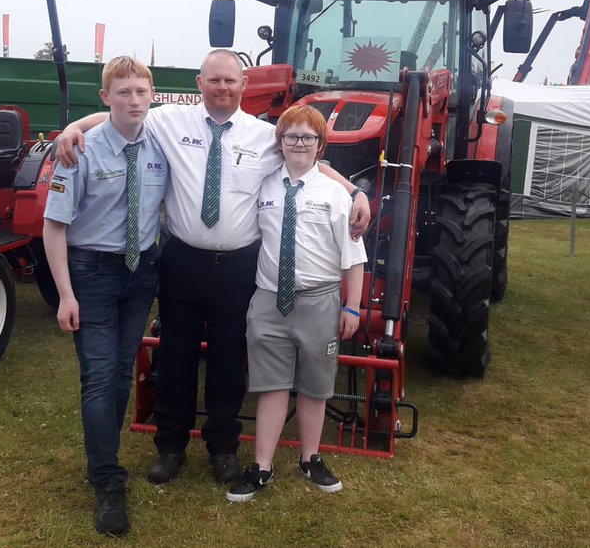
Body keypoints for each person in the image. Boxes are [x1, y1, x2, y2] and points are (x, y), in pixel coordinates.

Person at [55, 49, 370, 487]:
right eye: (214, 80)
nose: (223, 88)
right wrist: (73, 128)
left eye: (231, 81)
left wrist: (356, 192)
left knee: (228, 357)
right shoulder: (169, 121)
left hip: (238, 266)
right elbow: (114, 115)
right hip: (181, 259)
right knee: (177, 354)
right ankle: (170, 446)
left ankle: (223, 447)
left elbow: (312, 163)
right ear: (199, 84)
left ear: (244, 85)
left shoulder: (264, 135)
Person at [42, 56, 168, 537]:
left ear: (152, 95)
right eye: (123, 93)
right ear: (106, 97)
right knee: (98, 376)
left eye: (141, 92)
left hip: (141, 273)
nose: (133, 100)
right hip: (91, 272)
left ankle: (103, 455)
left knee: (120, 372)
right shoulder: (80, 151)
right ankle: (108, 480)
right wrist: (64, 295)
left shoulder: (160, 141)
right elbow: (54, 227)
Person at [226, 104, 365, 503]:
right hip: (269, 300)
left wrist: (352, 307)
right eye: (291, 137)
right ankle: (262, 466)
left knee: (315, 386)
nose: (299, 144)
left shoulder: (337, 195)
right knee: (270, 385)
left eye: (308, 137)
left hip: (319, 301)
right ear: (280, 142)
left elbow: (353, 258)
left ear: (321, 145)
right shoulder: (264, 185)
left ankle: (310, 458)